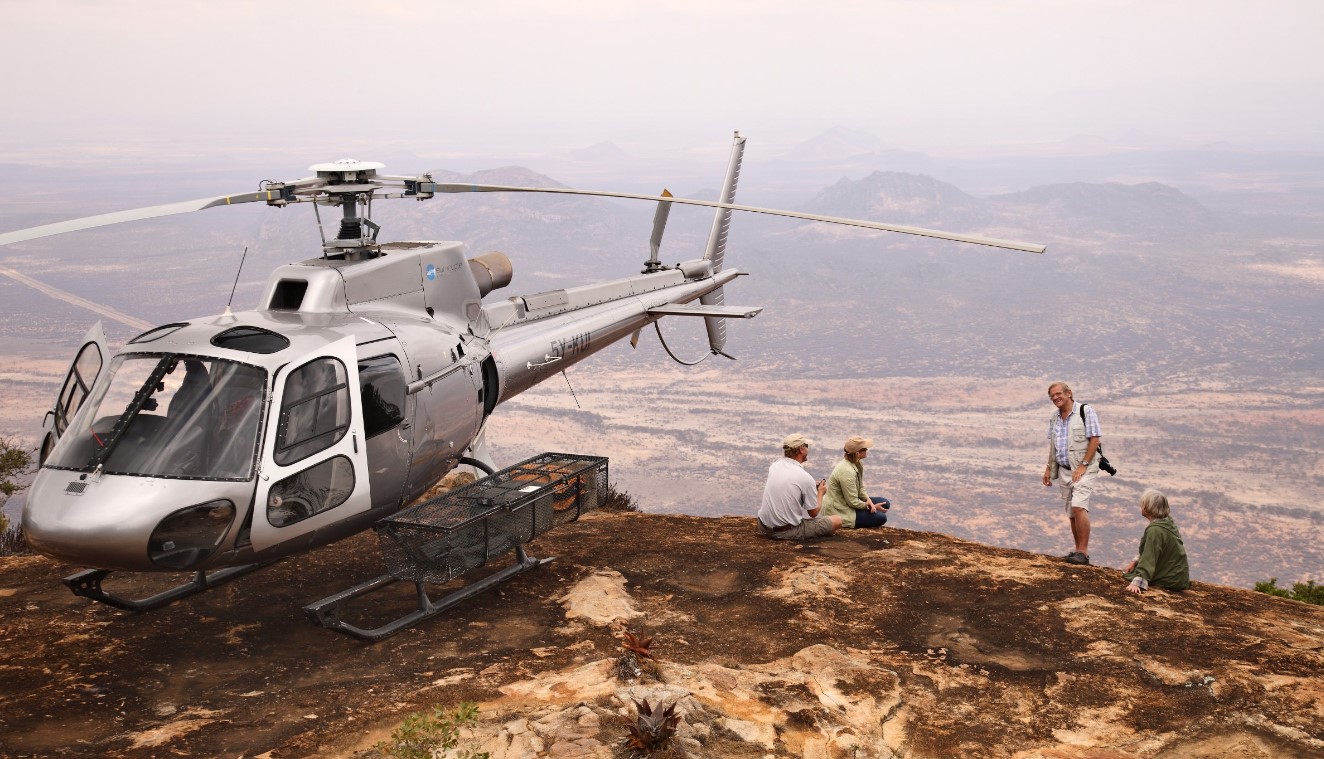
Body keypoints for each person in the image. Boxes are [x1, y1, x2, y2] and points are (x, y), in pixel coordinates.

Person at [1040, 381, 1102, 565]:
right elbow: (1053, 445)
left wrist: (1083, 465)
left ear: (1069, 393)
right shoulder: (1054, 417)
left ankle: (1083, 552)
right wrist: (1049, 467)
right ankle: (1077, 551)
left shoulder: (1085, 411)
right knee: (1071, 512)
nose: (1055, 398)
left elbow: (1095, 440)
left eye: (1058, 394)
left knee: (1078, 506)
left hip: (1084, 468)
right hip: (1065, 470)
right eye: (1052, 396)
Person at [756, 433, 841, 540]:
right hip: (786, 532)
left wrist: (809, 487)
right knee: (837, 520)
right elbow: (813, 513)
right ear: (801, 449)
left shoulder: (775, 466)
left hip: (763, 526)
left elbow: (786, 484)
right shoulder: (805, 477)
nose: (808, 449)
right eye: (807, 446)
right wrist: (820, 493)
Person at [1122, 489, 1190, 593]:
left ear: (1149, 507)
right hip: (1178, 577)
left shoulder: (1155, 530)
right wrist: (1134, 562)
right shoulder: (1167, 522)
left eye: (1143, 503)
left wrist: (1137, 582)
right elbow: (1152, 550)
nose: (1141, 506)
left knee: (1129, 576)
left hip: (1169, 579)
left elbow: (1150, 556)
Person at [822, 436, 891, 529]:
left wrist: (868, 501)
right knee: (881, 518)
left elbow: (860, 487)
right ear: (858, 453)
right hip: (840, 509)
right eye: (865, 449)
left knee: (885, 503)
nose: (867, 450)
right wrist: (871, 507)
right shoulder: (847, 471)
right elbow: (852, 502)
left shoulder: (857, 463)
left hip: (849, 501)